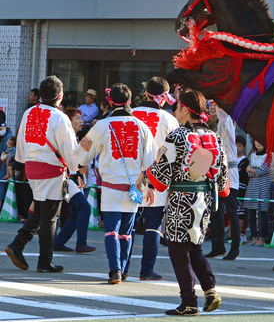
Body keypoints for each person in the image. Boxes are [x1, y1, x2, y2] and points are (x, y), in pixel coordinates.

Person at [145, 89, 229, 316]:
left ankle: (189, 302)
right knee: (195, 248)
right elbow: (222, 182)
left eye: (178, 107)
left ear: (184, 109)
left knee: (178, 252)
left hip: (181, 200)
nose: (176, 111)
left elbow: (161, 176)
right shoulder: (214, 137)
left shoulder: (177, 136)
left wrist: (146, 176)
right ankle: (210, 290)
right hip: (204, 200)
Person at [75, 83, 157, 284]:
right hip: (134, 187)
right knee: (126, 233)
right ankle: (125, 269)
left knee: (111, 229)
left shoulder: (102, 125)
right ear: (129, 102)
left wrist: (78, 165)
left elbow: (83, 150)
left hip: (111, 185)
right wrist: (150, 186)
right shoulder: (142, 127)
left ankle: (115, 271)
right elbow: (151, 160)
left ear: (110, 102)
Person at [5, 76, 79, 273]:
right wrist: (75, 169)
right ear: (60, 96)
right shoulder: (60, 118)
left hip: (32, 169)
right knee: (50, 217)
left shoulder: (29, 112)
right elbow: (69, 148)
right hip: (51, 170)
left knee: (40, 210)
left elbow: (21, 141)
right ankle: (45, 261)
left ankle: (17, 245)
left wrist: (20, 161)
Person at [132, 76, 179, 280]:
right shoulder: (169, 119)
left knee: (128, 223)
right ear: (164, 96)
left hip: (131, 175)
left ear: (146, 93)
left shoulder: (131, 115)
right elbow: (174, 152)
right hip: (157, 177)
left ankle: (121, 268)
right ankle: (146, 269)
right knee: (153, 224)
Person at [53, 108, 96, 254]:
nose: (81, 121)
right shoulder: (67, 137)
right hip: (63, 177)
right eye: (77, 118)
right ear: (68, 121)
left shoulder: (76, 137)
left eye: (81, 118)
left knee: (77, 210)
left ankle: (59, 241)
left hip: (68, 178)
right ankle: (81, 243)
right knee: (84, 207)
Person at [205, 101, 240, 260]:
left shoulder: (227, 123)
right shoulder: (217, 126)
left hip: (230, 172)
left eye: (215, 105)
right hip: (216, 172)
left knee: (232, 211)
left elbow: (224, 113)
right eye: (210, 105)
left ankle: (235, 247)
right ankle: (217, 246)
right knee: (215, 211)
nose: (212, 107)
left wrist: (219, 97)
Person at [244, 140, 271, 246]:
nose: (258, 143)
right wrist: (254, 171)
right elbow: (249, 174)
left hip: (264, 184)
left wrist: (252, 170)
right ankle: (254, 237)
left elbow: (264, 171)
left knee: (262, 212)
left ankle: (262, 238)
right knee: (251, 212)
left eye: (260, 141)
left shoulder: (268, 156)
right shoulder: (252, 156)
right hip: (253, 185)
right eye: (256, 141)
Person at [236, 135, 249, 243]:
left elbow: (242, 174)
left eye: (239, 146)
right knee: (231, 211)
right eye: (235, 145)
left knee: (239, 212)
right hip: (231, 186)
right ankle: (231, 235)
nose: (237, 148)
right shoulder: (230, 157)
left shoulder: (245, 160)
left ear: (243, 147)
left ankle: (239, 234)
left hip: (241, 187)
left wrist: (235, 171)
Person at [0, 116, 15, 206]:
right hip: (4, 164)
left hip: (6, 164)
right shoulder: (6, 136)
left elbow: (5, 152)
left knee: (3, 183)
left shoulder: (9, 137)